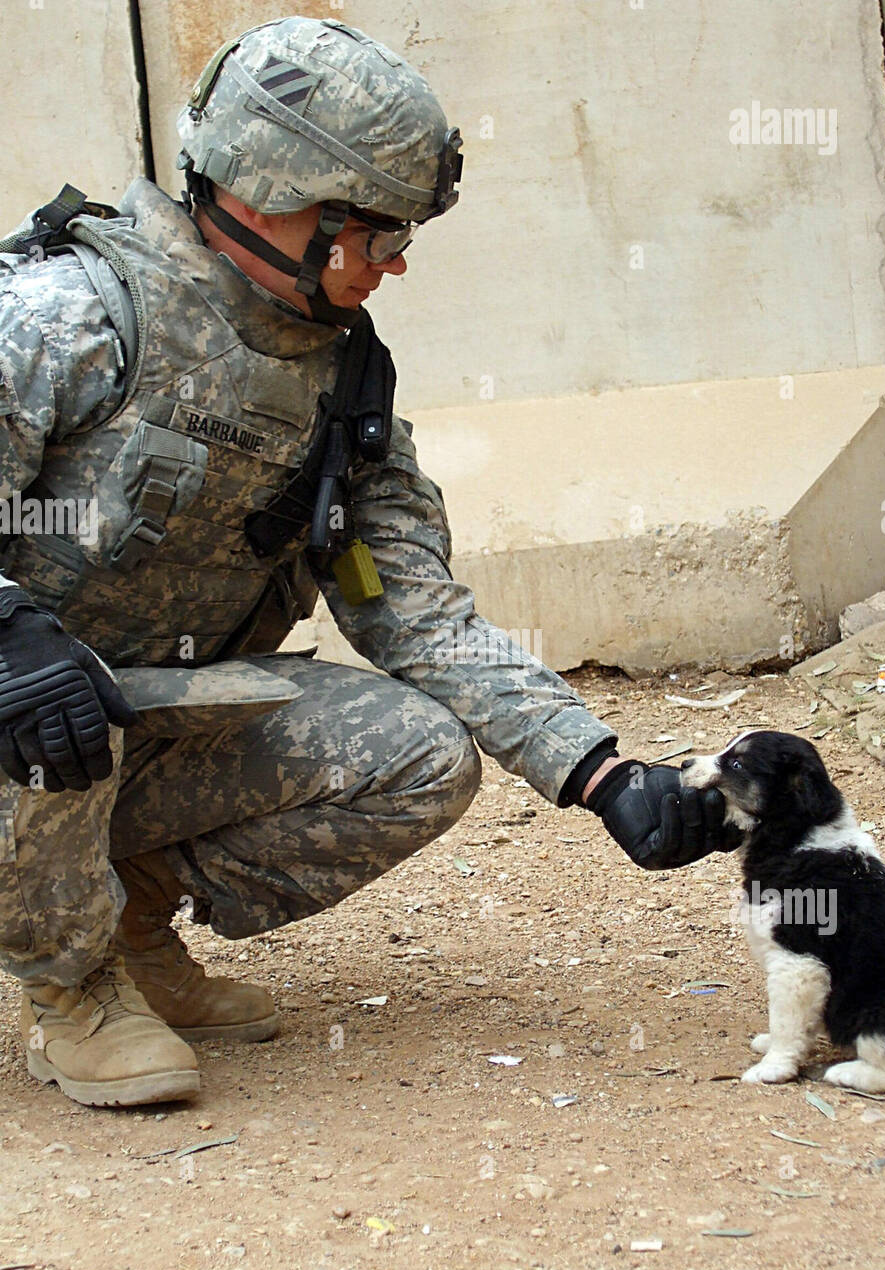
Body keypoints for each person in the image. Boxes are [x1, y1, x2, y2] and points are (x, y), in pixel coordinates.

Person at [0, 16, 736, 1109]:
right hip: (27, 718)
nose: (389, 269)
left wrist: (600, 772)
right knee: (61, 702)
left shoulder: (342, 380)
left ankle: (132, 918)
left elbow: (414, 614)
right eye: (376, 236)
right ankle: (71, 988)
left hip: (134, 718)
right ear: (275, 194)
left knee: (418, 756)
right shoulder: (63, 315)